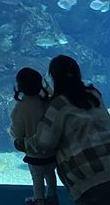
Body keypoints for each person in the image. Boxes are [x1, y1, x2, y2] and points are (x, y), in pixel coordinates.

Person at [25, 55, 110, 205]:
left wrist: (22, 142)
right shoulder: (94, 94)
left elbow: (44, 143)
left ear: (53, 78)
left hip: (88, 179)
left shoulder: (58, 105)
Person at [9, 67, 58, 205]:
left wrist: (16, 137)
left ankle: (38, 200)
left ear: (19, 87)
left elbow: (17, 131)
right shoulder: (47, 101)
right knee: (50, 174)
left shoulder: (20, 108)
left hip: (34, 153)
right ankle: (53, 197)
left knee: (37, 177)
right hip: (51, 151)